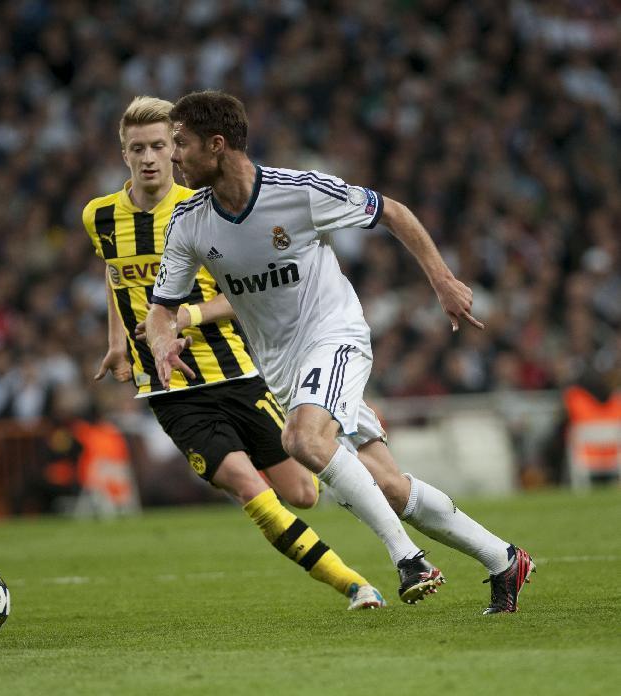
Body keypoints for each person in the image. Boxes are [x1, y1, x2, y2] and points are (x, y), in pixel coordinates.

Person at [147, 91, 535, 614]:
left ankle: (407, 559)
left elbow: (392, 212)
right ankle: (503, 559)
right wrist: (162, 340)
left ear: (217, 145)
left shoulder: (300, 192)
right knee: (390, 486)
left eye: (180, 144)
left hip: (336, 335)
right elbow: (162, 308)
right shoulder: (189, 222)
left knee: (302, 440)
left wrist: (442, 280)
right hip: (283, 367)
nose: (172, 157)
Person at [84, 96, 385, 610]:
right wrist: (118, 343)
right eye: (139, 148)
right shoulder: (101, 217)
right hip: (173, 387)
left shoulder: (201, 210)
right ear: (124, 154)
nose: (152, 157)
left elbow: (247, 291)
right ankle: (354, 584)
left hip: (241, 370)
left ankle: (346, 412)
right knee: (249, 487)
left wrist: (188, 316)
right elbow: (116, 277)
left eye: (161, 144)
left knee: (303, 493)